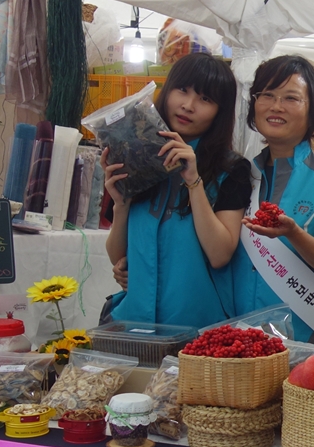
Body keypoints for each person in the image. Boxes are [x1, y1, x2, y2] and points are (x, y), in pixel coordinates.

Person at [103, 52, 249, 328]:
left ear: (220, 111)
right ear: (167, 90)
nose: (188, 106)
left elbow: (220, 255)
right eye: (182, 90)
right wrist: (120, 205)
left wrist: (194, 181)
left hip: (198, 329)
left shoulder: (231, 169)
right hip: (134, 321)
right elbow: (119, 258)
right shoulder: (135, 155)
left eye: (205, 99)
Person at [229, 55, 314, 344]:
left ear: (313, 111)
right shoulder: (240, 175)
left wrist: (294, 234)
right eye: (267, 95)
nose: (276, 106)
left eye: (291, 98)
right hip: (242, 341)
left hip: (308, 341)